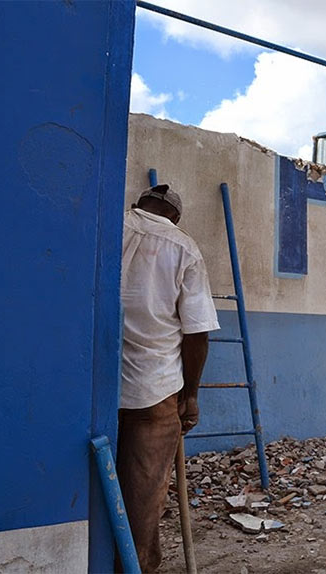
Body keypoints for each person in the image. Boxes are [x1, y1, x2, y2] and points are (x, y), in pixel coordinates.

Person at [116, 183, 220, 572]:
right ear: (174, 217)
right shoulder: (184, 247)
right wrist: (190, 396)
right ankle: (136, 564)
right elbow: (196, 333)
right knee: (143, 493)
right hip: (154, 387)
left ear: (138, 205)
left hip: (99, 384)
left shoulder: (112, 225)